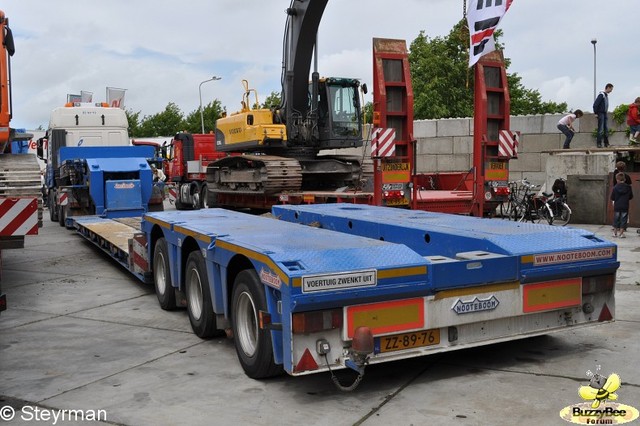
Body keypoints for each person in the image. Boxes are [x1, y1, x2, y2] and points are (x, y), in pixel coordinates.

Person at [610, 172, 633, 238]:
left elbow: (612, 197)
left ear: (617, 180)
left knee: (616, 219)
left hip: (617, 206)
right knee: (624, 219)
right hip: (625, 205)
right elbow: (631, 197)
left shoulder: (615, 187)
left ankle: (615, 233)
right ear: (625, 179)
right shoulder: (628, 188)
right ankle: (621, 234)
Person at [593, 83, 614, 148]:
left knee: (606, 129)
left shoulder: (605, 95)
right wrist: (596, 113)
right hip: (601, 113)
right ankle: (599, 143)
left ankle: (606, 143)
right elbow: (595, 104)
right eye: (611, 89)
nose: (611, 91)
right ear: (608, 87)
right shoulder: (601, 95)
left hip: (604, 113)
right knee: (601, 129)